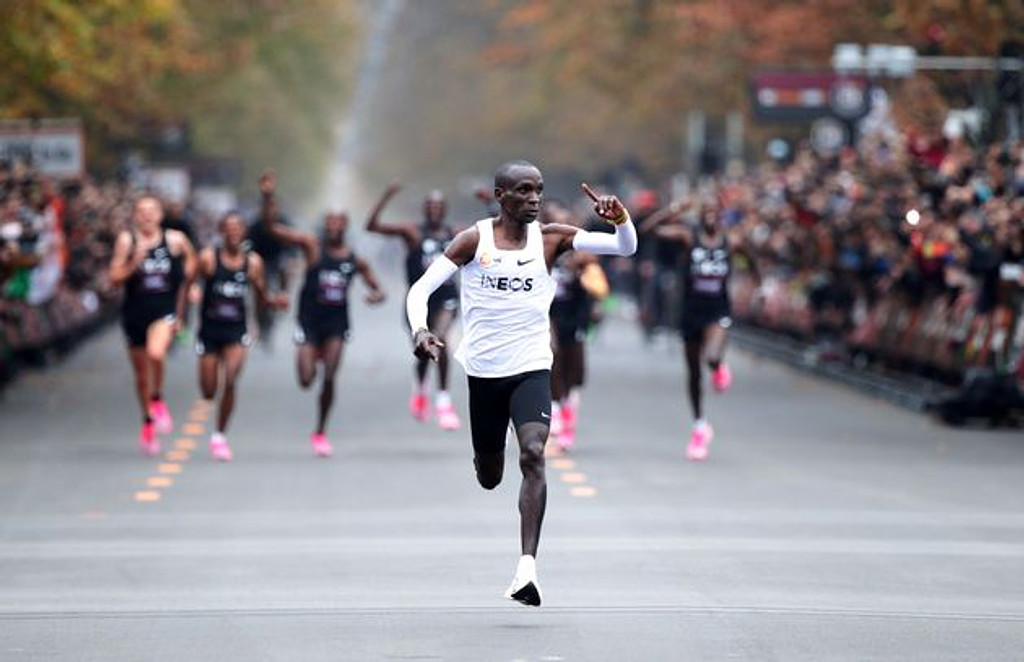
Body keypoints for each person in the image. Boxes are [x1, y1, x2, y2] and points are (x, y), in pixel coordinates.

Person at [406, 160, 637, 607]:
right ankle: (485, 461)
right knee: (491, 476)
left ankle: (526, 569)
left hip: (532, 367)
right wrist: (420, 329)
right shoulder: (473, 240)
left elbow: (625, 249)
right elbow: (420, 290)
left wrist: (620, 218)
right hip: (484, 373)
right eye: (524, 191)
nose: (533, 199)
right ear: (500, 195)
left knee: (533, 454)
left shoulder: (552, 237)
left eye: (539, 191)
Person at [641, 198, 760, 461]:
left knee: (712, 356)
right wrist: (672, 210)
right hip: (690, 312)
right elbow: (647, 230)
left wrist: (756, 289)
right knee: (693, 372)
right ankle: (699, 426)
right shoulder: (687, 235)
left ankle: (718, 367)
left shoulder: (733, 240)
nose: (709, 217)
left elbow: (753, 264)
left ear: (722, 216)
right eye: (704, 212)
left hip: (718, 311)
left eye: (714, 213)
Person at [262, 209, 386, 457]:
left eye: (338, 223)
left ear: (345, 227)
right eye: (329, 223)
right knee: (306, 380)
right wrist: (268, 198)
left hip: (336, 325)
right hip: (309, 322)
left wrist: (375, 296)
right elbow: (273, 230)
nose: (333, 227)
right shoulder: (312, 248)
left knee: (329, 376)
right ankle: (312, 356)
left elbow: (378, 289)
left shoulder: (354, 259)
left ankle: (320, 431)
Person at [366, 183, 461, 430]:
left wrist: (489, 204)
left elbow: (492, 232)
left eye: (439, 206)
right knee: (422, 349)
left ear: (445, 210)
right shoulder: (412, 233)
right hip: (419, 300)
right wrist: (385, 196)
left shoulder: (455, 233)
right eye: (430, 206)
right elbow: (372, 226)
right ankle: (420, 387)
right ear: (424, 209)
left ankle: (443, 402)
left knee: (441, 339)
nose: (434, 210)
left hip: (447, 298)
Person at [195, 211, 288, 461]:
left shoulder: (253, 262)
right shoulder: (208, 258)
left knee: (231, 379)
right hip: (209, 330)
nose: (234, 233)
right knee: (208, 390)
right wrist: (183, 310)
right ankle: (213, 405)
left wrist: (272, 302)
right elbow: (188, 283)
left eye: (238, 228)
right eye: (229, 228)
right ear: (221, 231)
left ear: (244, 232)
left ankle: (219, 436)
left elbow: (261, 293)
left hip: (236, 329)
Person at [108, 194, 196, 455]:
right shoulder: (128, 241)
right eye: (141, 211)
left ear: (160, 215)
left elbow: (193, 262)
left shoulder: (175, 239)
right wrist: (133, 264)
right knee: (141, 375)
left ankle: (158, 400)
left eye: (152, 210)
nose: (147, 215)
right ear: (135, 215)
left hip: (164, 310)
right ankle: (147, 423)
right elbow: (114, 277)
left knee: (156, 353)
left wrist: (190, 285)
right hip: (135, 312)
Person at [542, 199, 609, 451]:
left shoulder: (581, 254)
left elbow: (600, 288)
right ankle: (556, 409)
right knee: (552, 354)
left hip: (575, 315)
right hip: (549, 315)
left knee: (575, 372)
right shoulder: (538, 250)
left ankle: (569, 411)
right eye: (549, 220)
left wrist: (582, 272)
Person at [246, 171, 294, 349]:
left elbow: (292, 245)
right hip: (260, 262)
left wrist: (292, 258)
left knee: (285, 266)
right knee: (258, 293)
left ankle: (283, 293)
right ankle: (260, 322)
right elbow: (246, 246)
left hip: (278, 262)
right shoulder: (255, 224)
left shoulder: (284, 222)